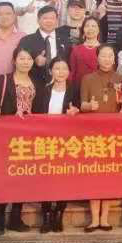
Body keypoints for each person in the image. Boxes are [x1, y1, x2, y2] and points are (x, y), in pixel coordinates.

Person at [0, 48, 39, 235]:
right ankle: (0, 218)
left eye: (29, 58)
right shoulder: (3, 80)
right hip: (7, 136)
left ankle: (16, 217)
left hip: (29, 136)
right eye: (22, 58)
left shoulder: (37, 82)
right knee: (5, 176)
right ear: (14, 60)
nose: (26, 62)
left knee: (23, 177)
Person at [79, 44, 122, 232]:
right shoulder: (87, 79)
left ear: (114, 59)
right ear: (97, 58)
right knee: (94, 176)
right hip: (93, 134)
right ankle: (94, 219)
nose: (107, 59)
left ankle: (104, 219)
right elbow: (82, 105)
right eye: (103, 55)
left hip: (113, 134)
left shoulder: (121, 79)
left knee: (108, 177)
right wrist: (89, 106)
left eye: (110, 55)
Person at [32, 57, 78, 234]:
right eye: (57, 68)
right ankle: (46, 215)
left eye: (64, 68)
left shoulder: (74, 90)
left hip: (67, 142)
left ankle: (59, 214)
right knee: (46, 179)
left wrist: (76, 111)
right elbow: (36, 114)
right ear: (51, 71)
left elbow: (82, 110)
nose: (60, 72)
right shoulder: (43, 91)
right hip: (46, 141)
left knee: (64, 179)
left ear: (69, 72)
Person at [18, 5, 71, 84]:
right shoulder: (26, 41)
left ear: (57, 21)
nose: (49, 21)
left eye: (52, 18)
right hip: (34, 84)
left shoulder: (66, 40)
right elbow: (18, 63)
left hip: (60, 85)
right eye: (45, 18)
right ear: (38, 20)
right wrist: (33, 60)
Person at [69, 16, 103, 88]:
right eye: (87, 26)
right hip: (79, 88)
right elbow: (72, 72)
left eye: (93, 26)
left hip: (99, 88)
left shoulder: (104, 49)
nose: (90, 29)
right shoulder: (76, 50)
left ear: (99, 30)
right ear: (83, 30)